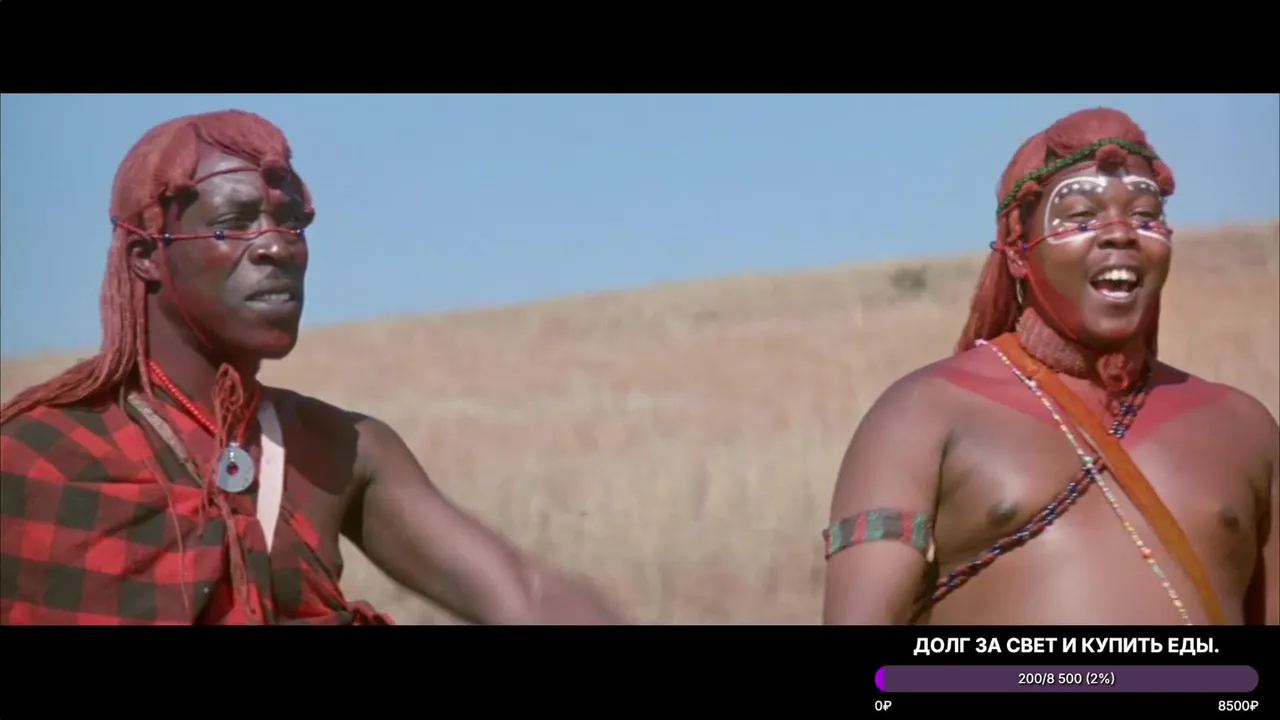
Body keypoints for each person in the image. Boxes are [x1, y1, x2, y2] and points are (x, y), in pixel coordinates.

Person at [0, 109, 627, 625]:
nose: (278, 246)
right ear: (145, 256)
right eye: (234, 224)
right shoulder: (36, 453)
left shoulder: (340, 448)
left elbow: (527, 598)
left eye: (291, 222)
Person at [821, 107, 1278, 626]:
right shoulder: (923, 413)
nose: (1120, 234)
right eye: (1081, 216)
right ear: (1018, 251)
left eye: (1144, 214)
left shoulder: (1244, 428)